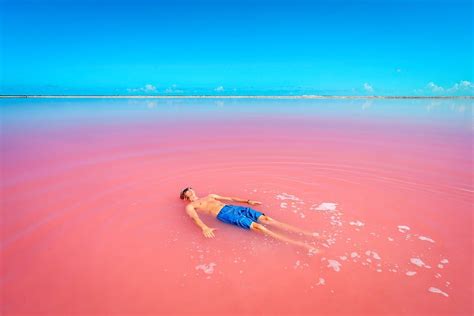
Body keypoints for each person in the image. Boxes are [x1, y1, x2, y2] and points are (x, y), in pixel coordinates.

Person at [179, 187, 322, 255]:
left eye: (191, 189)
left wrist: (248, 201)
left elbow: (230, 198)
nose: (191, 191)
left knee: (268, 219)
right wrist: (204, 227)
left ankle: (308, 234)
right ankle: (300, 244)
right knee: (259, 228)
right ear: (185, 197)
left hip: (234, 208)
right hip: (224, 215)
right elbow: (195, 218)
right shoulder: (191, 206)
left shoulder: (210, 195)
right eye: (187, 192)